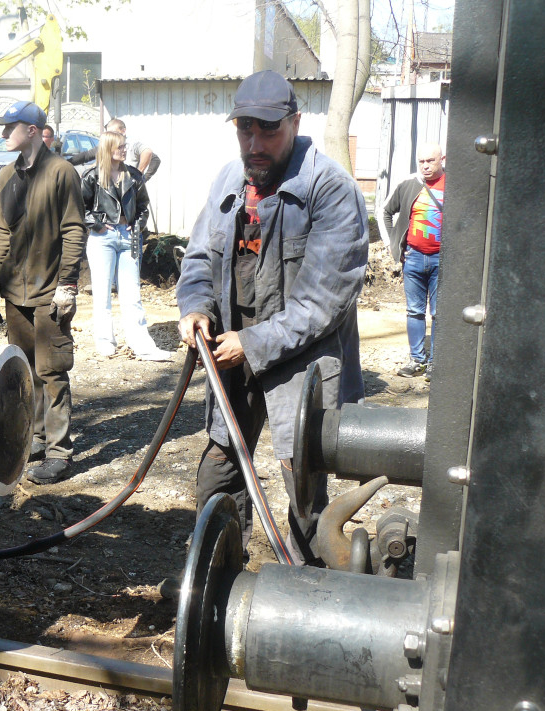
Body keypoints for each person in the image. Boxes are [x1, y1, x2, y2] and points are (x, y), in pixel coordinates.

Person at [175, 70, 369, 565]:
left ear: (295, 122)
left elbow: (323, 302)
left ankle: (310, 598)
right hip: (230, 355)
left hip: (300, 364)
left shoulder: (332, 189)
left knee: (300, 484)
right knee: (220, 468)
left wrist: (253, 342)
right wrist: (195, 308)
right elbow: (199, 258)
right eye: (245, 129)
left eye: (268, 130)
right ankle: (218, 579)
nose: (255, 143)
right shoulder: (228, 179)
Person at [0, 101, 87, 485]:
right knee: (26, 372)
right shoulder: (7, 174)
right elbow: (2, 234)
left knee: (52, 370)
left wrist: (68, 285)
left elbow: (75, 230)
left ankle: (59, 452)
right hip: (16, 294)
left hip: (49, 293)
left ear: (31, 129)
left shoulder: (61, 172)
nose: (2, 133)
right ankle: (38, 439)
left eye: (8, 127)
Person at [81, 131, 172, 361]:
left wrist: (137, 225)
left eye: (125, 145)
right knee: (102, 294)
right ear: (108, 149)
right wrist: (98, 225)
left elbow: (143, 207)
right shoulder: (92, 176)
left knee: (132, 295)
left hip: (129, 237)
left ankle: (142, 344)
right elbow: (79, 208)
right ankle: (105, 342)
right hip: (102, 238)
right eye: (120, 146)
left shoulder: (133, 176)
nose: (125, 149)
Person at [382, 143, 445, 381]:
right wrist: (392, 243)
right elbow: (385, 211)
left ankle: (435, 364)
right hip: (414, 258)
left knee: (439, 313)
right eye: (422, 161)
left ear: (442, 159)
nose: (426, 166)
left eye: (431, 160)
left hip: (443, 260)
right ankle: (417, 360)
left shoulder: (453, 184)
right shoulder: (409, 183)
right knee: (414, 311)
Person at [69, 118, 161, 180]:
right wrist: (66, 162)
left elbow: (150, 154)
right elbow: (87, 155)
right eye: (109, 133)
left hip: (127, 183)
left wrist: (140, 176)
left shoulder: (133, 143)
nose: (111, 135)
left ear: (123, 131)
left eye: (114, 132)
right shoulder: (106, 144)